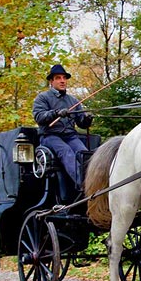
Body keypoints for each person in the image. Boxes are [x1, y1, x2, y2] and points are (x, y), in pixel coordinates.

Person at [33, 64, 93, 192]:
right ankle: (84, 186)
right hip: (50, 136)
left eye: (64, 78)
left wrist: (87, 119)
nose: (62, 81)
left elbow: (81, 123)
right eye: (58, 78)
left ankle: (94, 182)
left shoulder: (73, 100)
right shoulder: (42, 98)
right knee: (66, 152)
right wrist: (56, 113)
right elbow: (39, 116)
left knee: (83, 154)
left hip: (70, 136)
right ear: (51, 81)